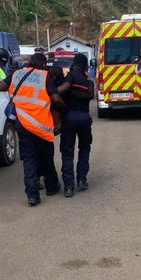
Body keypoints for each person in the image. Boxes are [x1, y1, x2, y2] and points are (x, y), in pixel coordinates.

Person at [0, 53, 67, 206]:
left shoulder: (16, 73)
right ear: (42, 64)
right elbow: (55, 98)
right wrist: (65, 109)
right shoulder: (44, 76)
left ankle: (32, 195)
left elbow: (0, 86)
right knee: (46, 157)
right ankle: (51, 187)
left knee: (29, 160)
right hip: (41, 126)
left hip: (22, 124)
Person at [57, 54, 95, 197]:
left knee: (67, 152)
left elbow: (63, 89)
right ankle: (81, 180)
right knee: (84, 148)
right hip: (84, 117)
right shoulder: (87, 80)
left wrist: (51, 92)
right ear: (85, 65)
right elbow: (90, 95)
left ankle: (68, 187)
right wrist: (88, 82)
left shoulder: (70, 76)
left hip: (70, 117)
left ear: (74, 63)